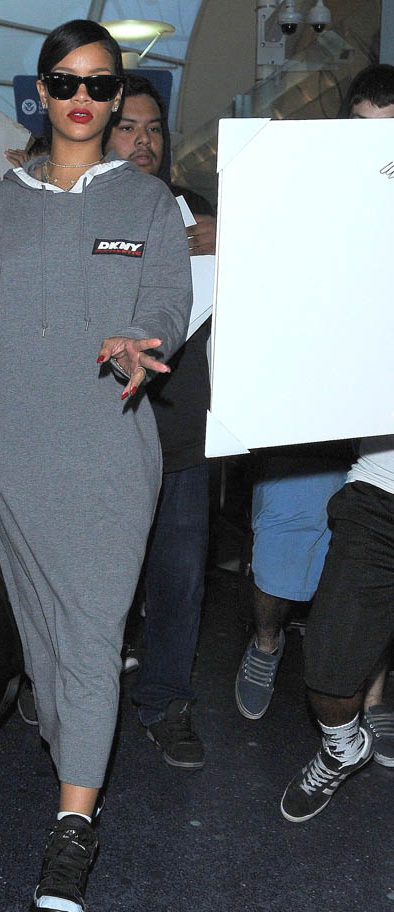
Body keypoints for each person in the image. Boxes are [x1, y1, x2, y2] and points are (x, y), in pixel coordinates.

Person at [0, 19, 192, 912]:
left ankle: (71, 835)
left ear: (117, 94)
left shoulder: (149, 202)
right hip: (13, 457)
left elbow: (168, 301)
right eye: (65, 81)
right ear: (40, 91)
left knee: (89, 639)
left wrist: (142, 339)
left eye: (99, 83)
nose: (82, 98)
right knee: (48, 647)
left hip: (109, 455)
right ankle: (74, 750)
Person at [280, 64, 394, 823]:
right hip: (380, 485)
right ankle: (343, 744)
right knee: (326, 669)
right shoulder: (335, 231)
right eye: (363, 136)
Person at [104, 73, 214, 769]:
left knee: (179, 577)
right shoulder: (80, 212)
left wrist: (237, 236)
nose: (143, 142)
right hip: (100, 432)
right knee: (95, 577)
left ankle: (166, 701)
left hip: (179, 431)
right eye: (128, 128)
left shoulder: (198, 214)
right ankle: (60, 689)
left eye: (154, 129)